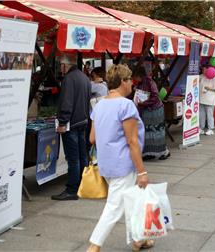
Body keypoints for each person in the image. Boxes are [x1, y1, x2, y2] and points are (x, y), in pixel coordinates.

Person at [87, 64, 154, 252]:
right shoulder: (126, 105)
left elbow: (92, 138)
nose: (132, 83)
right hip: (123, 164)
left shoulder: (99, 105)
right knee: (115, 206)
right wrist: (142, 171)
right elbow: (132, 141)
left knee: (132, 200)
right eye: (130, 79)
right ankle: (94, 245)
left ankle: (139, 239)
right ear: (123, 82)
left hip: (106, 162)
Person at [51, 57, 91, 201]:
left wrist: (62, 122)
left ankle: (72, 190)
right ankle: (83, 185)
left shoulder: (69, 79)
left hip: (71, 124)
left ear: (65, 65)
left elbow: (67, 102)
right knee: (82, 155)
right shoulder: (84, 77)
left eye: (61, 65)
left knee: (73, 158)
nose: (60, 68)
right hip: (82, 121)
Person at [132, 66, 170, 160]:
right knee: (148, 132)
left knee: (157, 131)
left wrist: (143, 103)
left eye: (135, 77)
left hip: (155, 110)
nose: (134, 79)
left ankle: (163, 152)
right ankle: (149, 152)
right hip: (147, 110)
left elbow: (155, 97)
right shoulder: (141, 83)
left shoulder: (150, 82)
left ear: (138, 75)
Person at [199, 65, 215, 136]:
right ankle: (201, 128)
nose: (203, 71)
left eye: (204, 69)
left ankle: (211, 129)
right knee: (201, 115)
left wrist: (208, 88)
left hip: (210, 100)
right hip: (201, 99)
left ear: (208, 70)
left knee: (209, 115)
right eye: (202, 70)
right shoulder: (201, 76)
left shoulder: (214, 78)